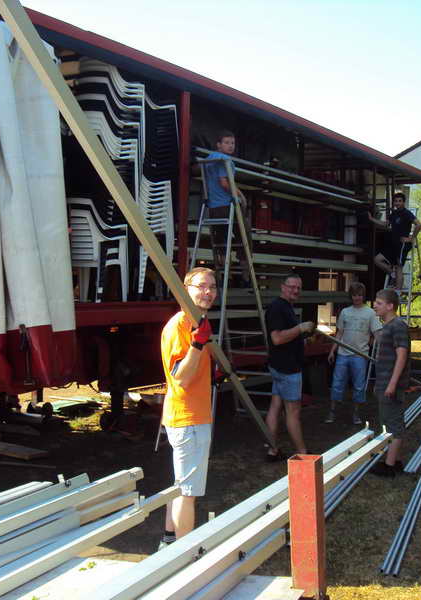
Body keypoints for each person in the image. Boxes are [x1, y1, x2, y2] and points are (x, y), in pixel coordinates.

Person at [158, 267, 217, 548]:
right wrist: (197, 344)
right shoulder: (181, 325)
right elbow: (180, 376)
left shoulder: (194, 320)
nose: (208, 292)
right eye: (201, 286)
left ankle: (169, 539)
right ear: (185, 289)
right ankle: (185, 555)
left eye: (212, 287)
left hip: (189, 416)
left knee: (180, 484)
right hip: (188, 418)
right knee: (188, 492)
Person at [264, 273, 315, 461]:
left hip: (279, 366)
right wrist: (300, 328)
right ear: (283, 287)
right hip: (287, 369)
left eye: (298, 288)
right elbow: (277, 338)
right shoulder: (278, 308)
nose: (295, 290)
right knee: (293, 412)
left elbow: (287, 335)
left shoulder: (285, 307)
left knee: (275, 406)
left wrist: (302, 337)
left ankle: (272, 450)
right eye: (292, 286)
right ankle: (303, 454)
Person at [325, 282, 381, 425]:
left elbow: (377, 333)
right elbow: (339, 333)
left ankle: (356, 414)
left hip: (360, 355)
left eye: (360, 295)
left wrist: (375, 343)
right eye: (355, 295)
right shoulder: (345, 312)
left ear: (363, 296)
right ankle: (332, 412)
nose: (357, 298)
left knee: (359, 385)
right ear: (351, 296)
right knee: (337, 383)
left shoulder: (371, 313)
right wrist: (333, 351)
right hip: (343, 354)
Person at [369, 288, 410, 477]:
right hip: (384, 382)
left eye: (378, 303)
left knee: (393, 424)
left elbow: (402, 355)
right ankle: (395, 459)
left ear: (390, 306)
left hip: (390, 384)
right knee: (388, 421)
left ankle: (390, 466)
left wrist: (392, 384)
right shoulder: (387, 326)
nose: (374, 306)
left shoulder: (398, 326)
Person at [203, 130, 251, 286]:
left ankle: (224, 277)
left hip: (213, 208)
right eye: (227, 142)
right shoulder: (226, 160)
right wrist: (241, 195)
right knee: (244, 237)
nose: (231, 146)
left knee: (221, 242)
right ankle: (245, 277)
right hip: (227, 207)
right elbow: (224, 183)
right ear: (218, 145)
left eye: (232, 143)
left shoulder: (208, 159)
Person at [372, 192, 421, 291]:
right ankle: (392, 274)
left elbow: (419, 225)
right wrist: (371, 219)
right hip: (392, 244)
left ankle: (397, 293)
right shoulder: (394, 214)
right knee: (377, 259)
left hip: (402, 244)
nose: (397, 203)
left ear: (404, 202)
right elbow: (385, 224)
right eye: (396, 201)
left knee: (399, 267)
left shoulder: (406, 213)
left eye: (400, 201)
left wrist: (411, 238)